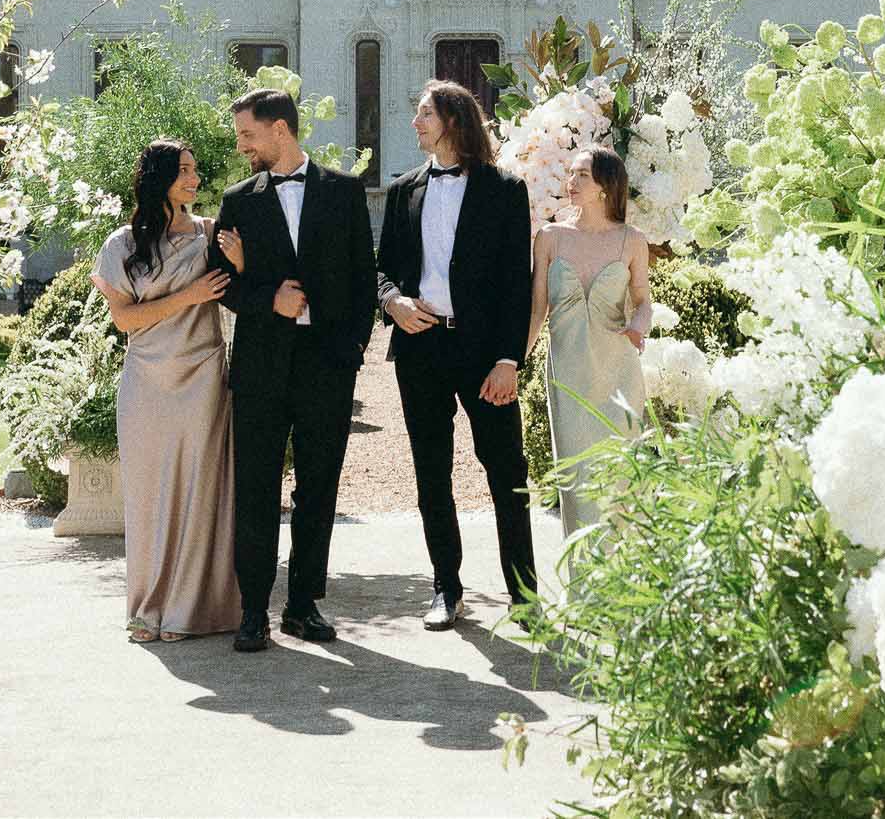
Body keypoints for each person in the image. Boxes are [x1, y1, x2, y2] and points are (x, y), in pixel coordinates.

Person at [207, 88, 378, 653]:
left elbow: (362, 279)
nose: (242, 146)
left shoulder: (345, 192)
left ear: (280, 130)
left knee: (318, 489)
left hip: (327, 368)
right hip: (259, 367)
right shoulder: (238, 200)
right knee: (255, 488)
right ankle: (253, 610)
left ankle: (303, 606)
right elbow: (220, 283)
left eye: (247, 135)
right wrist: (266, 300)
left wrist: (350, 352)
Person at [376, 81, 538, 631]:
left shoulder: (506, 190)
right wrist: (392, 301)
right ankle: (446, 588)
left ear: (454, 120)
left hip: (484, 352)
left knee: (506, 473)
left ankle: (525, 595)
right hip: (421, 347)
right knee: (430, 473)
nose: (416, 122)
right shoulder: (402, 191)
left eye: (425, 114)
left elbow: (519, 285)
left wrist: (508, 360)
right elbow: (381, 270)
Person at [88, 141, 248, 643]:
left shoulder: (210, 237)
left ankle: (186, 611)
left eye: (195, 171)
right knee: (149, 496)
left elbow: (246, 296)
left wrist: (240, 267)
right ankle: (146, 608)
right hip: (146, 383)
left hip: (202, 378)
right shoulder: (120, 245)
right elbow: (126, 320)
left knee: (199, 491)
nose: (194, 179)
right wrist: (190, 296)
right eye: (183, 171)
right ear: (157, 177)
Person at [525, 146, 654, 538]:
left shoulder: (632, 240)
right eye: (570, 173)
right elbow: (537, 311)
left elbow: (643, 299)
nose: (571, 181)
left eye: (582, 174)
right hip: (568, 374)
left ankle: (619, 587)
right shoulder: (549, 237)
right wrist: (514, 363)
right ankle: (582, 587)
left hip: (618, 374)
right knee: (577, 480)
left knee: (618, 479)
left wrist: (638, 329)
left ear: (605, 186)